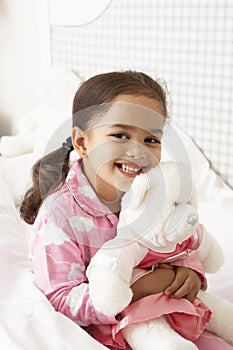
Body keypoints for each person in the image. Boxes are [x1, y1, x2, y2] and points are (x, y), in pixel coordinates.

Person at [20, 71, 232, 350]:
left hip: (172, 310)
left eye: (151, 140)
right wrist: (144, 287)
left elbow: (179, 242)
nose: (138, 151)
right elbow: (61, 299)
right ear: (83, 143)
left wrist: (190, 274)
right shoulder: (60, 216)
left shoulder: (155, 191)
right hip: (117, 331)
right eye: (120, 135)